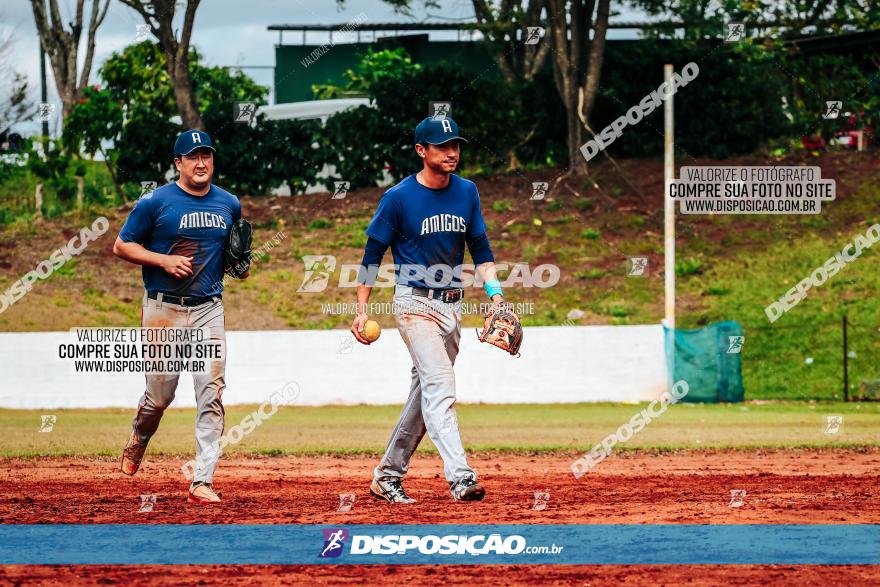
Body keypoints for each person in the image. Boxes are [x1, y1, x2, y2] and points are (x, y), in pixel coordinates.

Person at [351, 115, 511, 503]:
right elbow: (373, 254)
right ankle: (461, 477)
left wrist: (497, 296)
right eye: (442, 146)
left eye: (455, 145)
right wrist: (361, 309)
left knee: (425, 394)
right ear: (421, 151)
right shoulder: (399, 197)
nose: (452, 152)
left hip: (452, 308)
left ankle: (387, 475)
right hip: (412, 303)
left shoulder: (467, 192)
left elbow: (482, 250)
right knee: (441, 386)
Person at [113, 129, 244, 505]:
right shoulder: (156, 201)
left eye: (207, 155)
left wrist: (241, 265)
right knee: (160, 396)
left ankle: (202, 481)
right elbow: (122, 245)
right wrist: (163, 259)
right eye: (192, 156)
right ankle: (139, 436)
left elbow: (236, 261)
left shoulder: (229, 203)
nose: (201, 163)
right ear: (178, 163)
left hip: (208, 309)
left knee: (212, 395)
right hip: (163, 310)